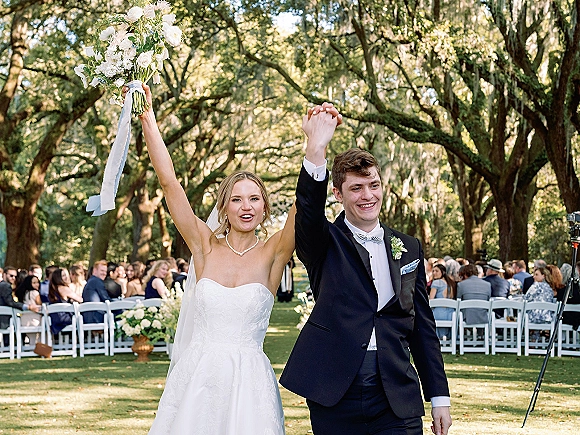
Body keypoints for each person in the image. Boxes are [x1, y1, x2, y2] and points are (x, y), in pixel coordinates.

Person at [279, 102, 451, 435]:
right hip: (336, 392)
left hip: (396, 393)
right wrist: (316, 148)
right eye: (356, 188)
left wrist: (439, 396)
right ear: (338, 193)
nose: (367, 196)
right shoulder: (323, 242)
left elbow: (422, 327)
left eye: (373, 185)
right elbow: (309, 210)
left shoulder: (409, 247)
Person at [136, 83, 295, 435]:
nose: (246, 207)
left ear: (265, 207)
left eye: (254, 199)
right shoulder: (204, 247)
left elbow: (306, 203)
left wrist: (316, 147)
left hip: (250, 384)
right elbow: (169, 183)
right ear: (223, 207)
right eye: (236, 199)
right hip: (198, 378)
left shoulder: (274, 253)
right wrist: (148, 118)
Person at [1, 267, 40, 346]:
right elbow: (10, 302)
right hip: (4, 320)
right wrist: (27, 306)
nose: (14, 278)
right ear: (4, 274)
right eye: (11, 276)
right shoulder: (5, 286)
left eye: (15, 276)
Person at [47, 268, 83, 335]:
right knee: (82, 318)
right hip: (64, 318)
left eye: (66, 275)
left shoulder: (53, 289)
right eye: (63, 275)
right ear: (58, 278)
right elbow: (80, 300)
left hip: (55, 319)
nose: (66, 277)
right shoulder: (64, 289)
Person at [429, 264, 457, 339]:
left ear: (443, 272)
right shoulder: (451, 283)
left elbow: (431, 301)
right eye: (433, 271)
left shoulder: (436, 283)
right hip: (451, 314)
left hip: (439, 313)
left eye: (437, 271)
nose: (434, 273)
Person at [14, 275, 43, 346]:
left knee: (32, 339)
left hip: (24, 321)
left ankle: (33, 349)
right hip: (35, 320)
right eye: (34, 283)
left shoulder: (24, 294)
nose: (37, 285)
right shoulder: (35, 293)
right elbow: (40, 305)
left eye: (37, 282)